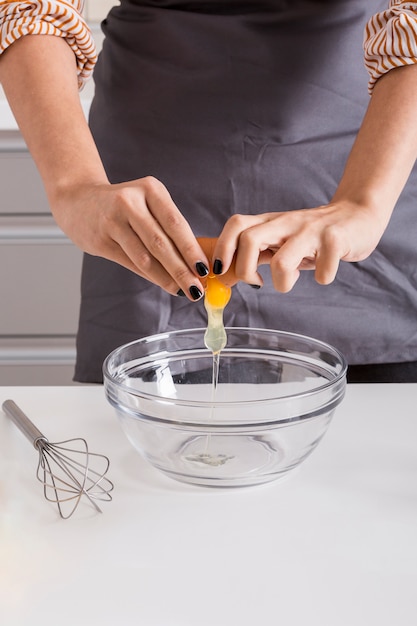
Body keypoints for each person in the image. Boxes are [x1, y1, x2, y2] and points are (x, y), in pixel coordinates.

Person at [1, 0, 417, 383]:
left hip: (369, 161)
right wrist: (74, 183)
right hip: (153, 181)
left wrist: (363, 202)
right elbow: (27, 7)